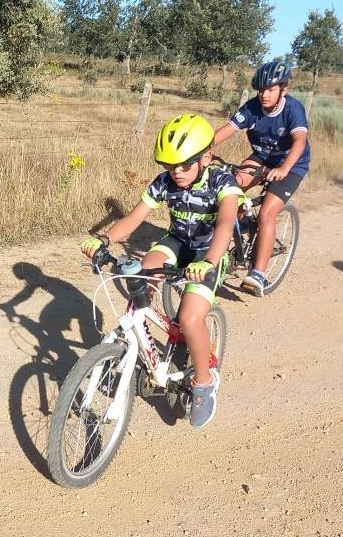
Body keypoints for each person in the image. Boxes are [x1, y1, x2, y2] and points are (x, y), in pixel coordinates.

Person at [81, 114, 243, 428]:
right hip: (178, 241)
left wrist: (209, 261)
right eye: (171, 166)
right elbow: (134, 218)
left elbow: (225, 224)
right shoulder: (164, 182)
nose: (177, 172)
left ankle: (204, 382)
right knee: (140, 275)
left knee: (190, 317)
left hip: (210, 250)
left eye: (184, 165)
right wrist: (103, 238)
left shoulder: (223, 182)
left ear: (205, 157)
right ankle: (146, 339)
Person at [211, 60, 311, 297]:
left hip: (292, 164)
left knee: (267, 213)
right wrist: (201, 150)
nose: (264, 95)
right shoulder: (252, 107)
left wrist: (285, 168)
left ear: (283, 89)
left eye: (271, 90)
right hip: (262, 158)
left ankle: (258, 273)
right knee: (230, 189)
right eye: (261, 90)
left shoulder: (292, 109)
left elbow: (299, 141)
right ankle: (238, 228)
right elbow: (226, 130)